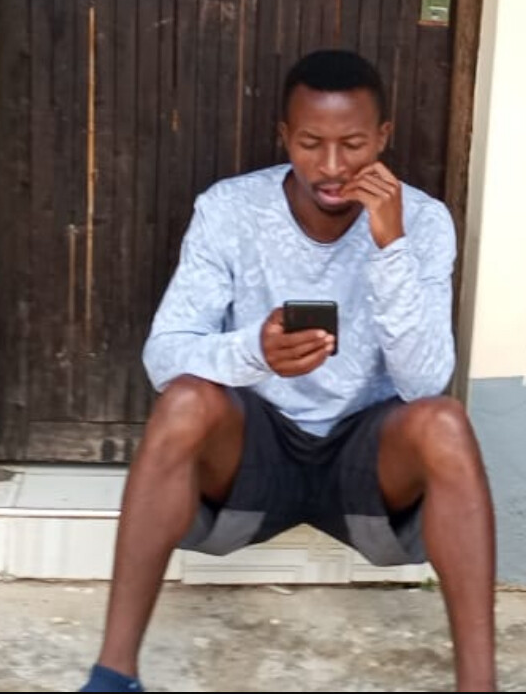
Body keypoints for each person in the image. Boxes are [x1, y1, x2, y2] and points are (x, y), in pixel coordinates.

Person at [79, 50, 496, 693]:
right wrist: (255, 352)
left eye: (352, 144)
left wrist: (390, 245)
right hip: (254, 453)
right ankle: (113, 675)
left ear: (383, 137)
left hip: (366, 462)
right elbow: (165, 355)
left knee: (445, 422)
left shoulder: (424, 221)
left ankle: (479, 686)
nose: (331, 167)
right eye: (310, 143)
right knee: (185, 401)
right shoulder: (229, 209)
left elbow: (423, 384)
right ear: (284, 136)